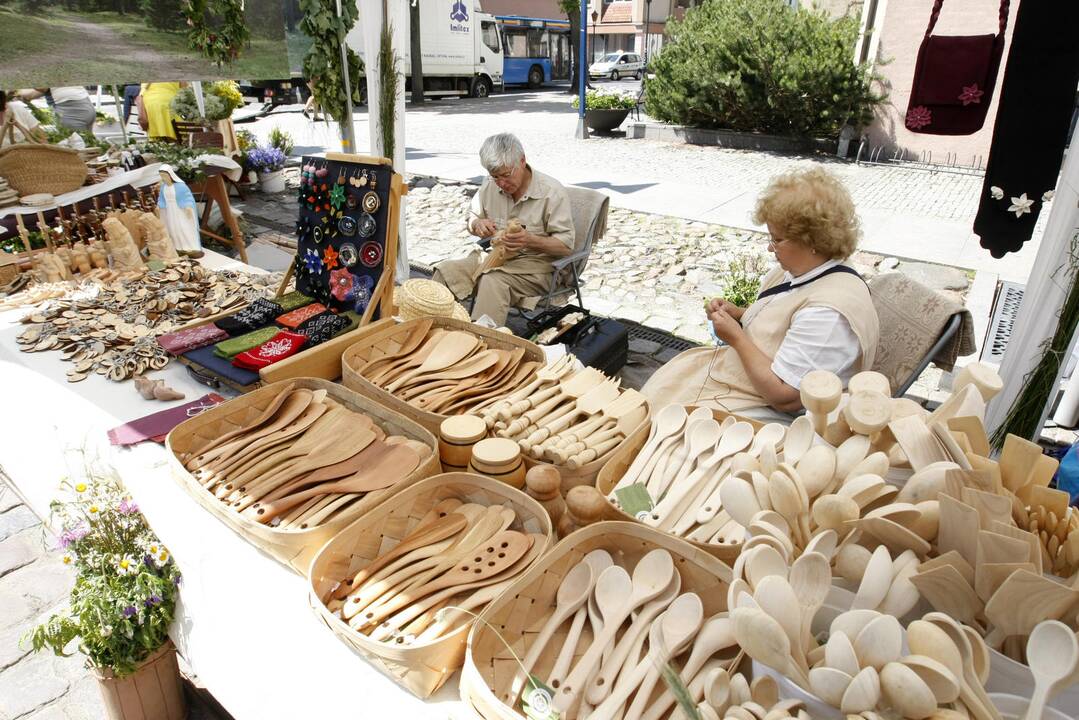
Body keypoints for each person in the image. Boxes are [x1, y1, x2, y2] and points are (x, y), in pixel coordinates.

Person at [642, 168, 880, 420]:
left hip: (766, 409)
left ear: (812, 241)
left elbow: (784, 396)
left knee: (663, 416)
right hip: (742, 381)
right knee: (663, 389)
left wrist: (736, 337)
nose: (769, 247)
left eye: (777, 239)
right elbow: (786, 323)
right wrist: (741, 314)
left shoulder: (828, 315)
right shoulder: (807, 269)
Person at [431, 133, 575, 325]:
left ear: (522, 161)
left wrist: (530, 240)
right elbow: (473, 217)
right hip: (496, 258)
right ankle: (429, 330)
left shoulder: (552, 193)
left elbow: (566, 246)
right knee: (446, 271)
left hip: (538, 268)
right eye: (495, 176)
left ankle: (481, 344)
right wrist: (477, 225)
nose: (501, 183)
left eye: (506, 175)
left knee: (492, 281)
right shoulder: (490, 185)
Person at [17, 87, 95, 132]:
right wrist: (17, 93)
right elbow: (34, 93)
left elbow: (42, 87)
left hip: (71, 110)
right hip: (85, 105)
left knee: (75, 150)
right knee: (88, 147)